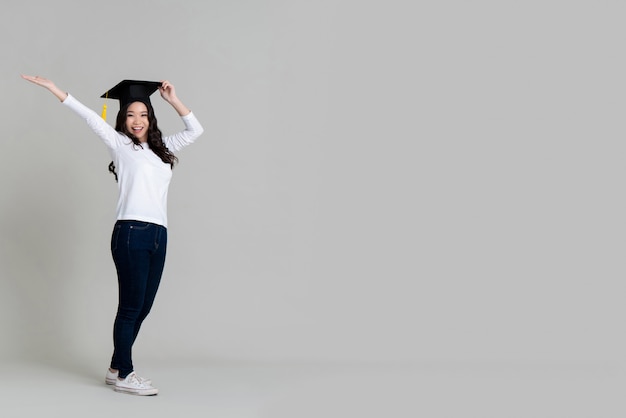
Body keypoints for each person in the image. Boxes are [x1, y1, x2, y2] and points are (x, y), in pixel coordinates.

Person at [21, 75, 204, 396]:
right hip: (131, 232)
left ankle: (116, 367)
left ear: (151, 117)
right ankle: (125, 374)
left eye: (143, 114)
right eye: (131, 115)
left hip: (159, 234)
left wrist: (173, 99)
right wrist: (54, 89)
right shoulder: (119, 144)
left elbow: (196, 130)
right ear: (122, 119)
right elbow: (90, 116)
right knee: (130, 308)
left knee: (144, 306)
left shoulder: (162, 150)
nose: (137, 120)